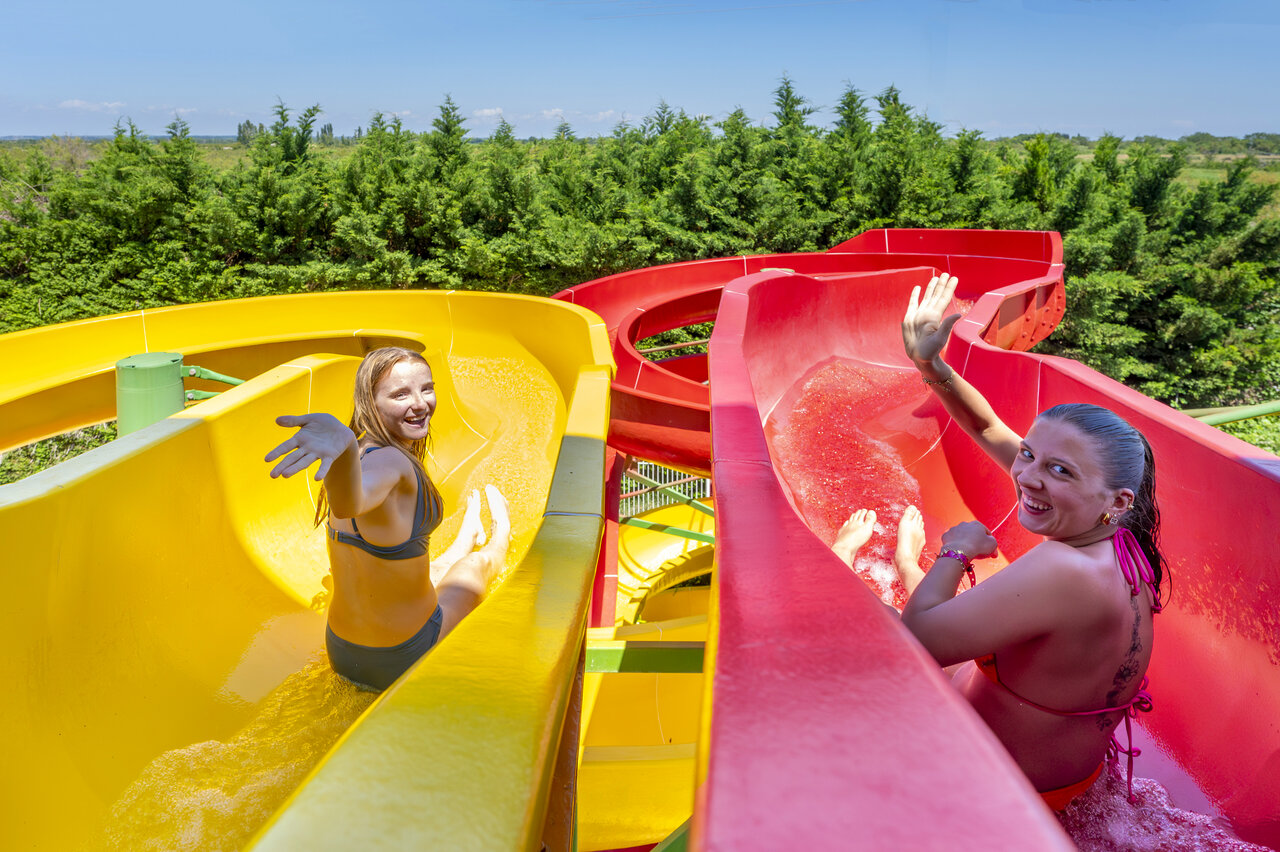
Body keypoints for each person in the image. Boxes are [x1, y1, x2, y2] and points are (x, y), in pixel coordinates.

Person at [837, 273, 1167, 812]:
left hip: (1003, 790)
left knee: (855, 621)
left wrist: (957, 550)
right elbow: (991, 428)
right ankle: (904, 562)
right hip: (1062, 769)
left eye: (1059, 469)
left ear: (1117, 499)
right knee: (953, 609)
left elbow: (915, 643)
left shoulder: (1067, 570)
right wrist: (930, 365)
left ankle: (877, 558)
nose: (1029, 476)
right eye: (1031, 454)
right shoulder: (1123, 536)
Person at [266, 347, 510, 691]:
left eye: (426, 388)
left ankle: (464, 537)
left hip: (343, 652)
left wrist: (348, 451)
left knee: (435, 572)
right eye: (400, 394)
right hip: (404, 656)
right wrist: (344, 448)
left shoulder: (362, 455)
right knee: (473, 569)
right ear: (370, 403)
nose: (421, 403)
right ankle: (500, 532)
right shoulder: (390, 464)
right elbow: (354, 501)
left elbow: (352, 496)